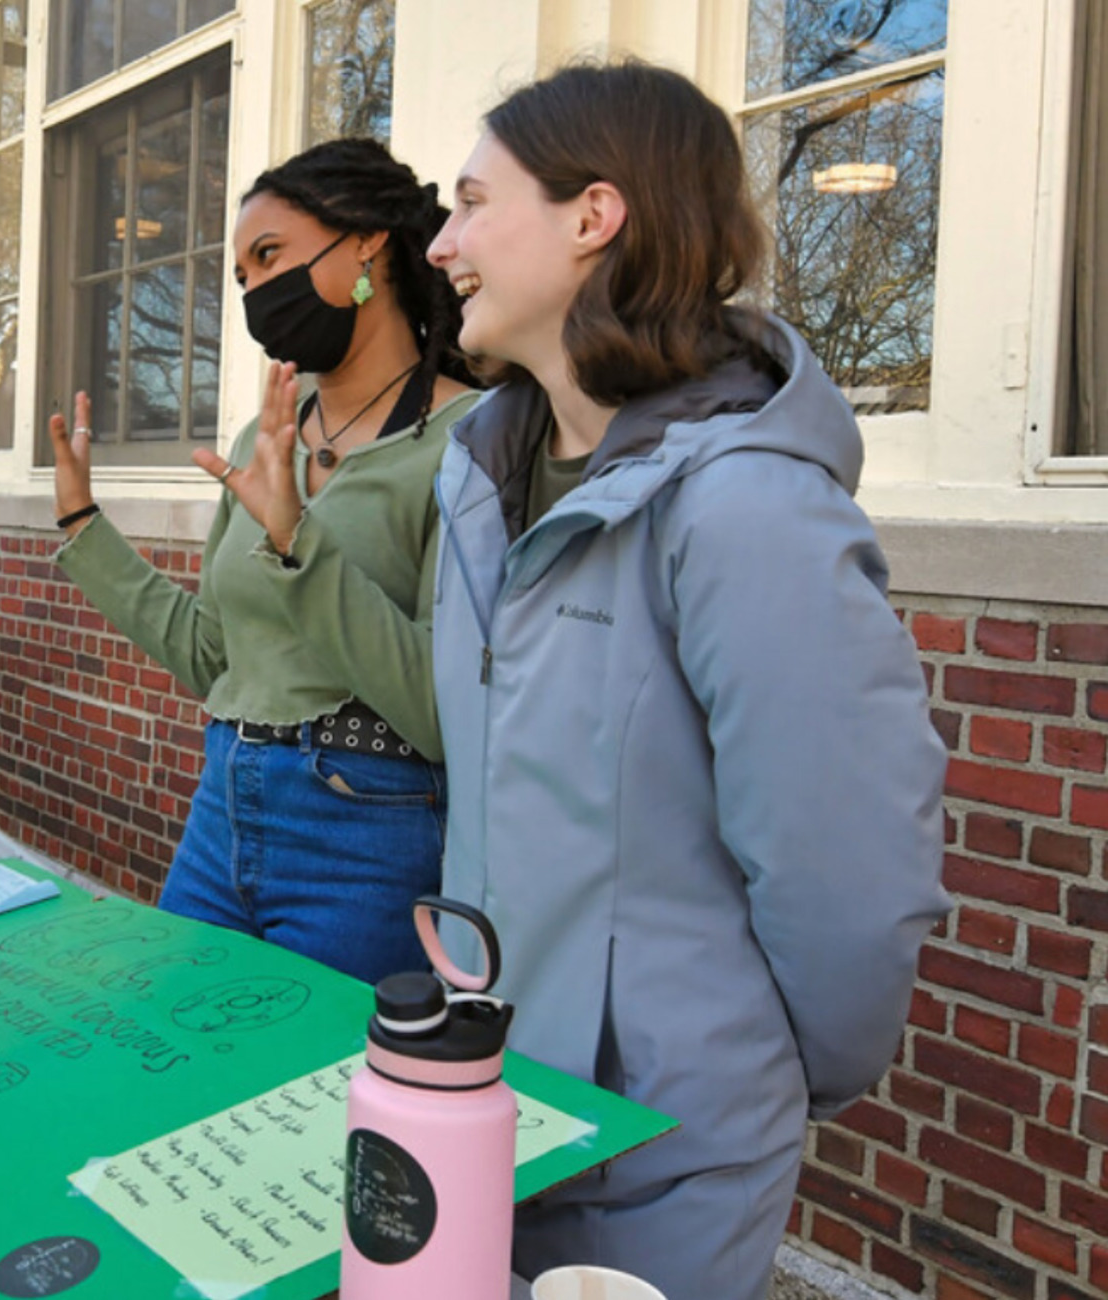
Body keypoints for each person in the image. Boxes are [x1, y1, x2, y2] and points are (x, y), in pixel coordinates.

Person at [422, 62, 947, 1299]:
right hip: (486, 1102)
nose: (439, 245)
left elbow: (849, 875)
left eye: (470, 203)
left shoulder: (746, 504)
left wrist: (737, 1073)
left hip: (662, 1153)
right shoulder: (475, 477)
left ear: (591, 217)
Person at [47, 138, 477, 984]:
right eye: (241, 277)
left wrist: (297, 540)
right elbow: (214, 657)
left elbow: (440, 711)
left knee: (319, 1104)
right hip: (223, 811)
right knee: (177, 1073)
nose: (254, 294)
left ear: (366, 243)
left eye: (269, 256)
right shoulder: (264, 439)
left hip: (369, 828)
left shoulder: (471, 441)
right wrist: (81, 525)